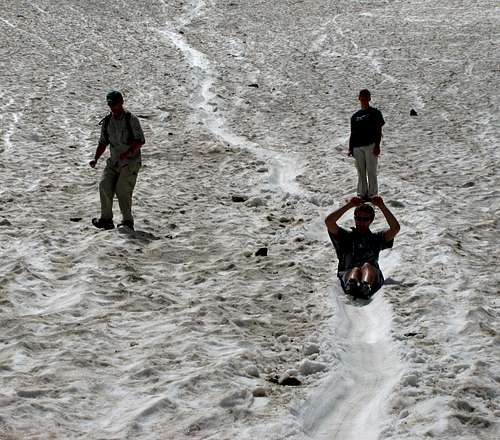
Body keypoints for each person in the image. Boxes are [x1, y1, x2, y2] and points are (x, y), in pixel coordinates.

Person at [89, 91, 145, 231]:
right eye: (110, 105)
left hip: (130, 162)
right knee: (104, 185)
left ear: (121, 103)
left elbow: (140, 140)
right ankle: (106, 219)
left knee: (122, 190)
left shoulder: (130, 119)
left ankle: (127, 221)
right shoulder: (107, 121)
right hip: (114, 161)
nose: (113, 107)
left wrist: (127, 153)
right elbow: (103, 142)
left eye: (115, 104)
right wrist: (96, 158)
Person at [325, 196, 400, 298]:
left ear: (371, 220)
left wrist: (381, 206)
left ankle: (365, 286)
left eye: (365, 219)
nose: (361, 222)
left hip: (372, 275)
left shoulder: (376, 238)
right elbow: (329, 222)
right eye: (358, 219)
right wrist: (349, 205)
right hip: (348, 273)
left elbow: (395, 228)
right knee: (355, 270)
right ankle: (352, 285)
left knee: (367, 266)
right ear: (355, 219)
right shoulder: (346, 237)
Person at [349, 89, 385, 200]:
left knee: (371, 170)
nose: (363, 99)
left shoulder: (375, 113)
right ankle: (361, 193)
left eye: (366, 96)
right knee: (361, 171)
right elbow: (352, 133)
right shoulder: (355, 116)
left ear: (369, 98)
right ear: (359, 98)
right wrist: (351, 148)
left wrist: (377, 145)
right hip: (357, 146)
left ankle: (372, 194)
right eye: (362, 96)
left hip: (370, 144)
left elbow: (379, 129)